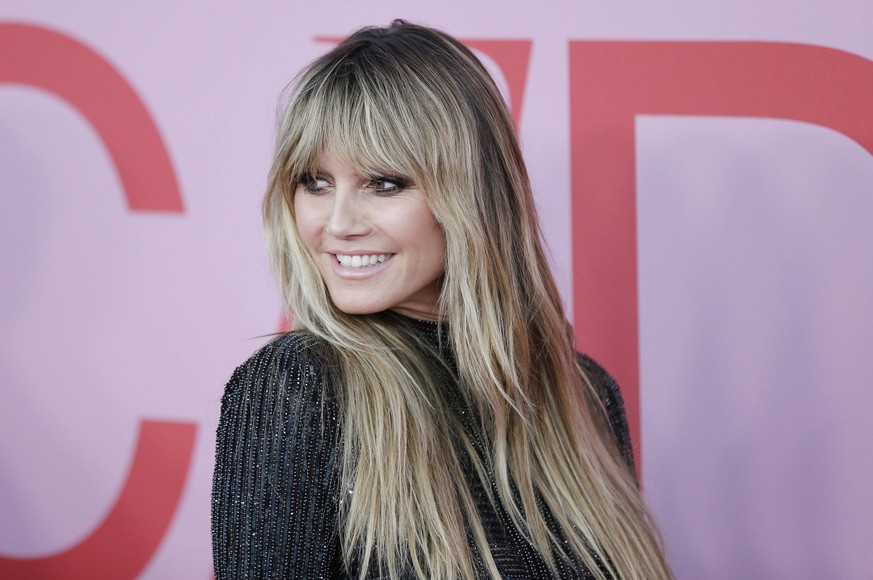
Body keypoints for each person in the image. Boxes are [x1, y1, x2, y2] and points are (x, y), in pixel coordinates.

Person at [212, 20, 672, 579]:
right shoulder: (297, 388)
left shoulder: (587, 395)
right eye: (314, 182)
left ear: (473, 193)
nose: (338, 223)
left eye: (384, 183)